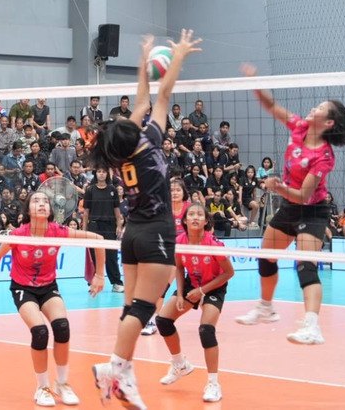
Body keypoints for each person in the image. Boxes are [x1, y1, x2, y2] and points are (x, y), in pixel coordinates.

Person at [91, 29, 202, 410]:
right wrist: (179, 55)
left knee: (131, 309)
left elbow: (143, 101)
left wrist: (143, 62)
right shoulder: (149, 142)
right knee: (143, 308)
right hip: (156, 231)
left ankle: (122, 374)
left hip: (132, 234)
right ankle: (114, 371)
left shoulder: (118, 153)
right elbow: (162, 97)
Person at [234, 63, 345, 345]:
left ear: (328, 123)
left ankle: (312, 327)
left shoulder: (324, 157)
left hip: (312, 211)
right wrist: (254, 81)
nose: (314, 108)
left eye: (320, 108)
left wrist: (278, 186)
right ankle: (266, 308)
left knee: (305, 265)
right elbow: (271, 106)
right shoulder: (299, 127)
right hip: (290, 207)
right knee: (266, 256)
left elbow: (303, 195)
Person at [0, 191, 105, 408]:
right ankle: (42, 387)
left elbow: (99, 241)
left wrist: (100, 275)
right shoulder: (18, 235)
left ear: (51, 210)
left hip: (48, 287)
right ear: (28, 209)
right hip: (22, 289)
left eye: (46, 201)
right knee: (40, 331)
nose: (42, 204)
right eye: (36, 201)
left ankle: (62, 384)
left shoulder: (58, 232)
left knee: (62, 327)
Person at [154, 202, 234, 402]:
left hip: (214, 286)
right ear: (185, 220)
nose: (195, 217)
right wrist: (180, 294)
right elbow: (179, 267)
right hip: (192, 283)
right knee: (163, 320)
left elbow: (228, 272)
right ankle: (180, 364)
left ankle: (214, 384)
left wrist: (202, 291)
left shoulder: (213, 244)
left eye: (200, 214)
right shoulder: (179, 242)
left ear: (206, 221)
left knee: (206, 330)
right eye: (191, 214)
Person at [82, 166, 125, 293]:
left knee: (111, 256)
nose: (101, 174)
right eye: (99, 172)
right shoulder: (90, 190)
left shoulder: (113, 190)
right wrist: (84, 230)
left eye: (103, 172)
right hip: (94, 226)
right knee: (94, 256)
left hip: (109, 226)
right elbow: (86, 211)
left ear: (107, 174)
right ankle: (93, 283)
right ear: (96, 174)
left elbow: (117, 209)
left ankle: (116, 283)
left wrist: (119, 225)